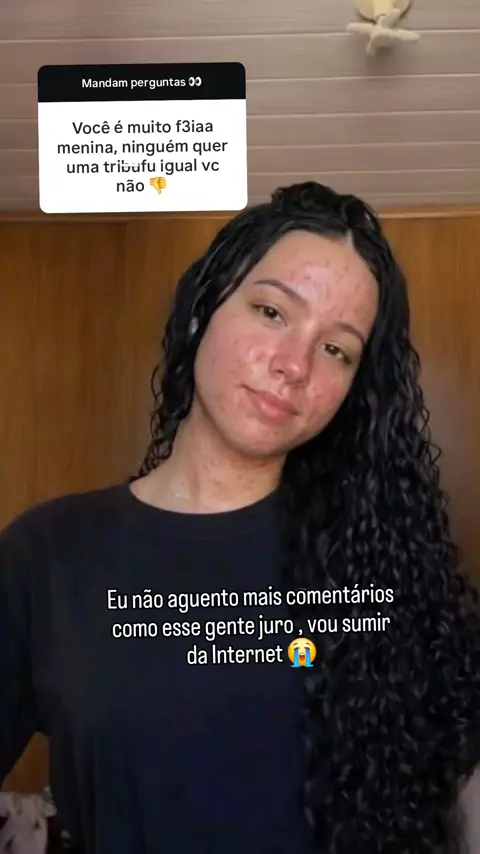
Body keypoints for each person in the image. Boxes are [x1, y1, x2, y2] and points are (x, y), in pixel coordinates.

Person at [1, 181, 480, 854]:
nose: (294, 366)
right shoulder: (47, 554)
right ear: (204, 308)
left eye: (337, 349)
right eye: (272, 312)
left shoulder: (383, 563)